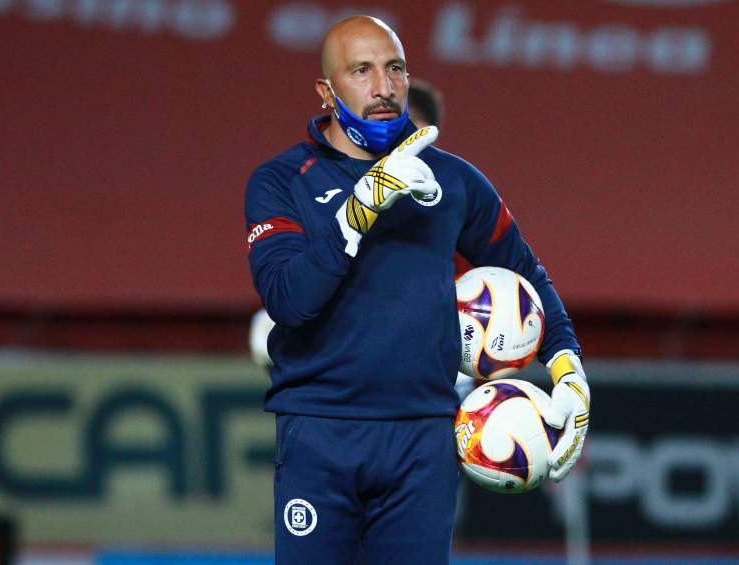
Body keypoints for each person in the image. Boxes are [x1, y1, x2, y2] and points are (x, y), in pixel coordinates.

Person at [243, 16, 590, 564]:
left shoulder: (454, 181)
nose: (383, 87)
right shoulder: (282, 181)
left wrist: (568, 371)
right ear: (326, 92)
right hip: (320, 434)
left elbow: (528, 275)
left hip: (423, 440)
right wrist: (359, 210)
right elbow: (288, 299)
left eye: (395, 69)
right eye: (362, 71)